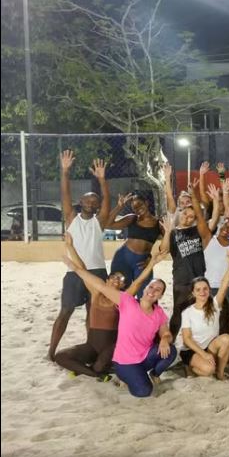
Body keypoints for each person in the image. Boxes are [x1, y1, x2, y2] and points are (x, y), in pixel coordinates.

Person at [62, 247, 175, 398]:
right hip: (119, 356)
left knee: (171, 351)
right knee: (144, 391)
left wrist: (165, 339)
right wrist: (74, 267)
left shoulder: (152, 309)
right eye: (151, 287)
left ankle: (149, 374)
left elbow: (165, 332)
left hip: (133, 353)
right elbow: (95, 281)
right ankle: (126, 375)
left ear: (160, 296)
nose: (153, 291)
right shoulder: (124, 300)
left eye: (158, 290)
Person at [54, 233, 158, 379]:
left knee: (100, 365)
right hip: (91, 345)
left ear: (123, 285)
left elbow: (138, 283)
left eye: (121, 279)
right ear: (107, 280)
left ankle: (88, 370)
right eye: (113, 277)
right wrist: (70, 247)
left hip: (111, 347)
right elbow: (83, 269)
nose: (116, 280)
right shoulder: (96, 292)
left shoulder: (123, 298)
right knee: (61, 356)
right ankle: (95, 374)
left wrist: (152, 263)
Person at [50, 152, 113, 360]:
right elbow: (64, 195)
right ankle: (51, 352)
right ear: (81, 201)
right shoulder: (71, 218)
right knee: (65, 311)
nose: (91, 203)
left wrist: (102, 180)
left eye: (95, 202)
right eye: (88, 200)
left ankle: (91, 348)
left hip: (97, 272)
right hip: (75, 272)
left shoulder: (99, 221)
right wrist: (64, 171)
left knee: (92, 312)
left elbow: (107, 201)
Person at [176, 250, 229, 380]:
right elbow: (187, 339)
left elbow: (224, 286)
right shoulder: (187, 312)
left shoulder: (214, 304)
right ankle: (188, 366)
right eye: (198, 289)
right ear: (193, 293)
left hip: (210, 346)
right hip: (192, 349)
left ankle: (220, 374)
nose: (202, 292)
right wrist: (204, 355)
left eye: (205, 289)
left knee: (226, 339)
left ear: (209, 290)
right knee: (209, 370)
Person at [165, 178, 213, 338]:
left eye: (192, 216)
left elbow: (200, 217)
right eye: (185, 213)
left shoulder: (199, 231)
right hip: (181, 279)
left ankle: (197, 342)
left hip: (198, 279)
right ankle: (170, 340)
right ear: (180, 213)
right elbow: (164, 250)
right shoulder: (173, 233)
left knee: (199, 312)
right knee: (178, 312)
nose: (188, 217)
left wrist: (193, 195)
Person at [104, 190, 163, 297]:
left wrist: (151, 259)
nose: (138, 208)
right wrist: (119, 207)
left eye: (140, 204)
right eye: (134, 207)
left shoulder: (158, 223)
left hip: (142, 262)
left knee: (145, 293)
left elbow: (168, 244)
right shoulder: (132, 218)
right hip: (123, 258)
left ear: (146, 203)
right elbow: (108, 224)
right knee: (119, 291)